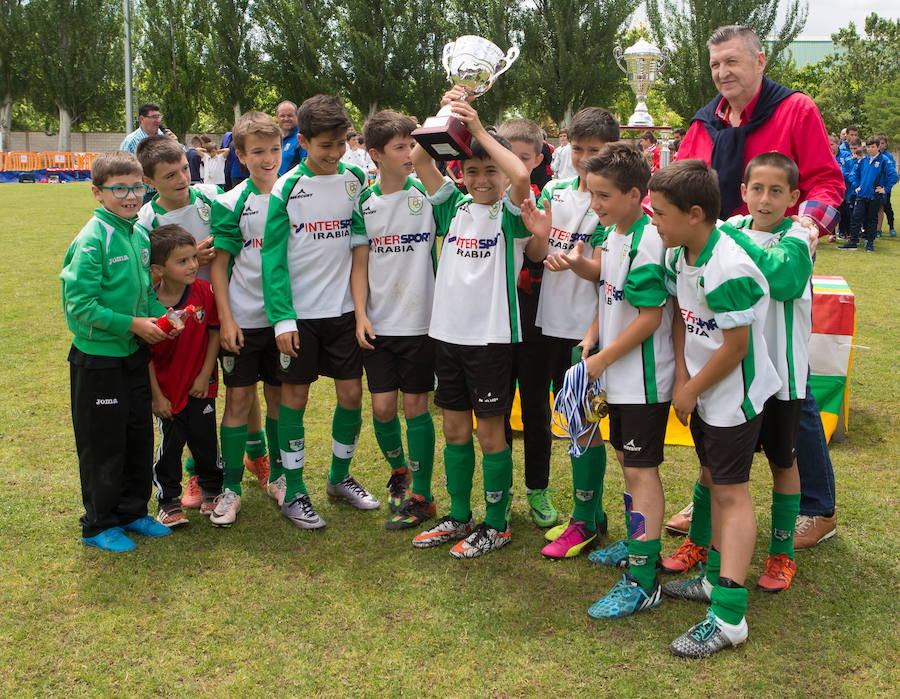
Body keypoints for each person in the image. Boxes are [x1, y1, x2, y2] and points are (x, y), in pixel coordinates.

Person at [668, 24, 844, 553]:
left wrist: (806, 230)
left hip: (774, 265)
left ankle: (816, 506)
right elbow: (682, 183)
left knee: (789, 383)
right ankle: (718, 487)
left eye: (733, 62)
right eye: (716, 64)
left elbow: (826, 181)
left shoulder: (796, 111)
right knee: (718, 381)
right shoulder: (702, 123)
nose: (723, 72)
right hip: (714, 266)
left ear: (760, 61)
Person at [665, 153, 813, 605]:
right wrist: (722, 232)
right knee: (717, 468)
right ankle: (704, 545)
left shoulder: (798, 238)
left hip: (779, 374)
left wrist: (726, 236)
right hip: (727, 378)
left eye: (775, 191)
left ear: (793, 197)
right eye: (756, 189)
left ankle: (781, 552)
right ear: (743, 190)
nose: (764, 199)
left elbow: (783, 280)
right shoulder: (725, 228)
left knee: (781, 462)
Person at [409, 89, 549, 559]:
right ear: (461, 174)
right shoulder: (454, 207)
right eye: (472, 170)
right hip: (447, 335)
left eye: (489, 170)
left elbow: (520, 174)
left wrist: (482, 133)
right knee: (454, 430)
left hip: (491, 339)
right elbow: (419, 157)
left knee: (490, 432)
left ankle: (496, 522)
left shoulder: (511, 216)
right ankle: (459, 514)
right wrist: (447, 112)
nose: (482, 178)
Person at [653, 159, 780, 658]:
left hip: (735, 398)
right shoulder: (681, 252)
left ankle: (729, 616)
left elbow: (736, 348)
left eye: (661, 213)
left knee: (732, 494)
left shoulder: (727, 267)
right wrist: (684, 376)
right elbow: (685, 321)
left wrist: (690, 389)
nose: (654, 221)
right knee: (710, 478)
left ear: (696, 213)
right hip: (706, 390)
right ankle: (711, 579)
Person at [545, 143, 674, 617]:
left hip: (642, 380)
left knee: (641, 471)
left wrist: (600, 361)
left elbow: (648, 318)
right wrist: (593, 333)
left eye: (603, 195)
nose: (594, 204)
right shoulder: (616, 231)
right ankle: (636, 544)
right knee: (626, 460)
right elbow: (609, 290)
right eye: (592, 194)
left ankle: (643, 579)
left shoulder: (648, 241)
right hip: (616, 374)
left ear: (635, 194)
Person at [262, 94, 380, 529]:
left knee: (351, 396)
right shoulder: (286, 186)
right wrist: (282, 319)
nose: (334, 154)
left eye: (341, 144)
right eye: (325, 146)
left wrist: (361, 308)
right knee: (295, 397)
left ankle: (338, 478)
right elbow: (271, 260)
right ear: (305, 141)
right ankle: (293, 489)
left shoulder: (353, 180)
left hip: (344, 313)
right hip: (299, 317)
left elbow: (360, 244)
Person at [60, 151, 175, 552]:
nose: (131, 195)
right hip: (98, 359)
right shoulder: (93, 239)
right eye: (120, 188)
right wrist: (133, 325)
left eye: (137, 186)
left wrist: (163, 318)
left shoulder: (138, 233)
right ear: (97, 192)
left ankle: (132, 512)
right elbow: (81, 305)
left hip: (132, 355)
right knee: (103, 442)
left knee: (137, 435)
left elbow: (144, 295)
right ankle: (99, 523)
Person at [349, 110, 439, 530]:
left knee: (415, 406)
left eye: (411, 145)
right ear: (375, 155)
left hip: (421, 323)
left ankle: (421, 489)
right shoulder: (363, 203)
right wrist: (361, 314)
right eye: (400, 147)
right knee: (383, 408)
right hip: (379, 325)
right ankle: (399, 469)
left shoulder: (427, 194)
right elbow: (360, 264)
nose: (409, 153)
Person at [537, 107, 619, 556]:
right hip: (552, 322)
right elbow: (537, 246)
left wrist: (576, 262)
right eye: (579, 149)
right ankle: (588, 515)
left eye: (596, 151)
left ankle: (585, 520)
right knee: (570, 423)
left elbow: (607, 271)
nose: (585, 159)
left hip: (590, 332)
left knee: (585, 425)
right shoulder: (555, 190)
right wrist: (538, 236)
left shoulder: (616, 201)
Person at [209, 111, 286, 525]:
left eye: (274, 149)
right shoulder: (229, 202)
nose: (268, 158)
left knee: (278, 398)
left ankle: (280, 477)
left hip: (283, 321)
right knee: (238, 399)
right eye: (258, 151)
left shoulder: (295, 194)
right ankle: (231, 488)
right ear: (240, 154)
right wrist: (227, 320)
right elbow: (220, 266)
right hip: (243, 320)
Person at [496, 117, 556, 529]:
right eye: (506, 158)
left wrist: (540, 235)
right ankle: (498, 489)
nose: (513, 167)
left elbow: (536, 258)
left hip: (533, 321)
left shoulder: (541, 202)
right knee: (493, 407)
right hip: (491, 321)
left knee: (535, 407)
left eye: (521, 159)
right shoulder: (476, 202)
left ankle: (538, 488)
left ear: (535, 160)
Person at [148, 224, 222, 527]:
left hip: (200, 386)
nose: (193, 265)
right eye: (182, 261)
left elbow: (214, 335)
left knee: (205, 439)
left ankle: (212, 491)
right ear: (158, 270)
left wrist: (205, 375)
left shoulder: (204, 292)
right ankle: (168, 501)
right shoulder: (148, 304)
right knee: (171, 444)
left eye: (194, 257)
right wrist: (156, 396)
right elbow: (145, 357)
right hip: (167, 392)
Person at [135, 136, 221, 282]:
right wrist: (191, 260)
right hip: (181, 304)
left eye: (185, 168)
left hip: (225, 296)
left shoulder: (213, 195)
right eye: (170, 175)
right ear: (148, 181)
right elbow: (145, 277)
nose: (182, 179)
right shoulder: (146, 222)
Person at [838, 137, 898, 252]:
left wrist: (885, 189)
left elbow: (893, 176)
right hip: (861, 195)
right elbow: (855, 173)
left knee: (871, 219)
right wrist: (857, 186)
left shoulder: (884, 160)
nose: (870, 149)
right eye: (868, 147)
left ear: (878, 147)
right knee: (856, 217)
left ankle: (870, 243)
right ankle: (853, 242)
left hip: (874, 196)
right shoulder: (864, 159)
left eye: (873, 147)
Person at [276, 100, 305, 175]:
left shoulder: (302, 139)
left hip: (292, 185)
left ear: (297, 116)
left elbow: (306, 168)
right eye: (282, 116)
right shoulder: (274, 140)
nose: (286, 119)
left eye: (290, 115)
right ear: (277, 117)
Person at [876, 134, 896, 237]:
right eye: (879, 143)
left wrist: (887, 187)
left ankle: (891, 227)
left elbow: (892, 174)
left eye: (883, 143)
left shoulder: (888, 157)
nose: (881, 145)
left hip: (885, 188)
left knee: (887, 208)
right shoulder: (874, 156)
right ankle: (877, 229)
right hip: (876, 187)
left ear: (886, 144)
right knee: (878, 207)